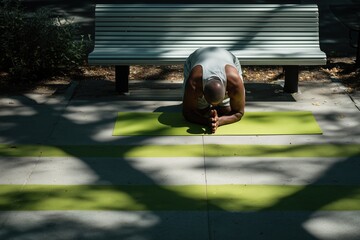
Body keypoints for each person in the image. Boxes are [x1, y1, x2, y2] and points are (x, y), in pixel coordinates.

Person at [182, 47, 246, 133]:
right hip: (196, 58)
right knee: (201, 111)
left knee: (226, 111)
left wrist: (219, 121)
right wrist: (207, 121)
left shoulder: (235, 82)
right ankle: (206, 106)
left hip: (227, 57)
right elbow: (188, 113)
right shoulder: (194, 82)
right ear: (202, 92)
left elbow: (239, 113)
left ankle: (219, 107)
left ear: (227, 91)